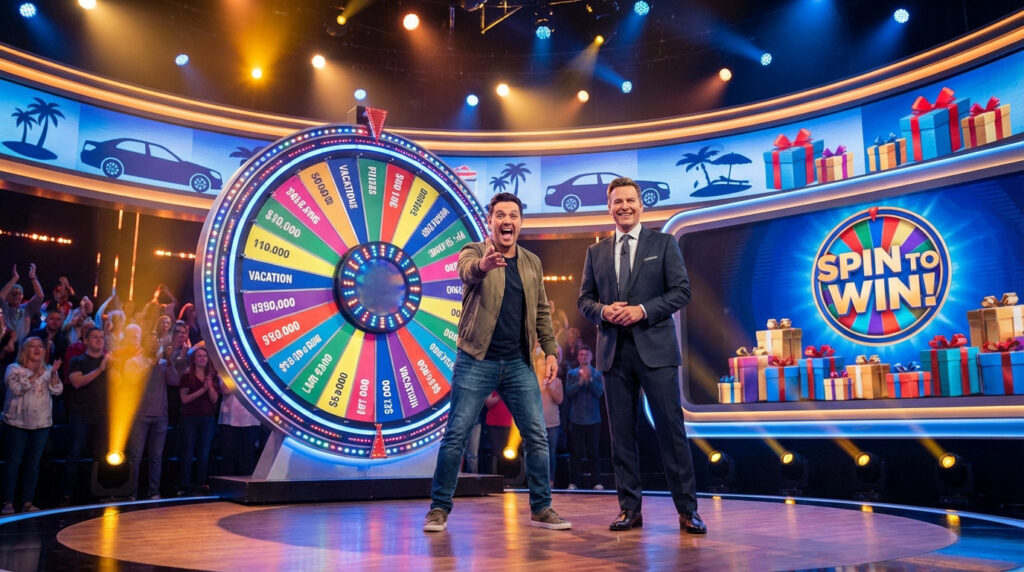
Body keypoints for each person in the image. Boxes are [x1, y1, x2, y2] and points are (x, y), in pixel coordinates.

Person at [424, 192, 570, 532]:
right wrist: (483, 266)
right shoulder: (474, 251)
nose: (507, 220)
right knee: (456, 435)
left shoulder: (532, 262)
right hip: (477, 359)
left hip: (518, 362)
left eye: (514, 215)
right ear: (490, 221)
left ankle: (542, 508)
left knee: (536, 436)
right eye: (500, 215)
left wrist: (550, 351)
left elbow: (541, 312)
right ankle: (438, 509)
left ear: (520, 222)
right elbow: (466, 273)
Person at [577, 177, 706, 534]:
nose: (624, 207)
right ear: (609, 207)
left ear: (641, 204)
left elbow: (682, 291)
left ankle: (687, 511)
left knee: (671, 432)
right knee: (621, 437)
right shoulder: (596, 252)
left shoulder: (663, 244)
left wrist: (643, 310)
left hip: (657, 351)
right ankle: (629, 509)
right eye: (617, 202)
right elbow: (584, 300)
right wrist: (604, 311)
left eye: (630, 201)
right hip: (613, 354)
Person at [2, 337, 62, 514]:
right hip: (16, 423)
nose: (37, 349)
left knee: (33, 464)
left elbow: (57, 390)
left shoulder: (49, 370)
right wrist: (36, 373)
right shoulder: (13, 369)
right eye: (32, 346)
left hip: (41, 424)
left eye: (40, 347)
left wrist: (51, 374)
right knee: (14, 463)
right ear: (24, 351)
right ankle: (8, 502)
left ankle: (28, 501)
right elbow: (17, 389)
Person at [64, 325, 111, 504]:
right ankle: (67, 495)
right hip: (81, 414)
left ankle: (100, 493)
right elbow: (76, 382)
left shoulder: (109, 362)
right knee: (75, 454)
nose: (99, 340)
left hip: (103, 415)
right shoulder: (78, 360)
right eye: (95, 337)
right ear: (86, 341)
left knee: (101, 456)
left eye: (101, 337)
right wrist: (100, 369)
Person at [125, 332, 170, 500]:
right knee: (135, 456)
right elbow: (132, 381)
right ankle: (132, 493)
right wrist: (151, 365)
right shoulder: (133, 362)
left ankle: (154, 492)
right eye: (150, 342)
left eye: (156, 341)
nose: (153, 344)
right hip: (140, 415)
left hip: (160, 416)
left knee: (156, 457)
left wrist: (170, 362)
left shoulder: (163, 363)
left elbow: (173, 380)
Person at [177, 345, 219, 494]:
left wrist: (210, 387)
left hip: (207, 419)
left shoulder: (212, 378)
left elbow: (214, 400)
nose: (202, 358)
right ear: (194, 360)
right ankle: (185, 485)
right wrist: (203, 389)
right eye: (199, 356)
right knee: (188, 453)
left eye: (205, 356)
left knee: (204, 453)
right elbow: (184, 399)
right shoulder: (187, 376)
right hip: (190, 419)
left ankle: (201, 484)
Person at [564, 345, 604, 490]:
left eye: (586, 355)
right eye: (581, 354)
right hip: (576, 419)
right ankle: (574, 482)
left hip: (593, 419)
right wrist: (580, 382)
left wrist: (590, 381)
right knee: (576, 453)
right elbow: (568, 393)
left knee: (594, 452)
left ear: (591, 357)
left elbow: (600, 393)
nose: (583, 357)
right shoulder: (571, 373)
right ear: (578, 357)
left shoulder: (598, 373)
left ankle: (596, 482)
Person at [533, 343, 563, 488]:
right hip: (537, 422)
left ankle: (550, 482)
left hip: (553, 423)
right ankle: (536, 482)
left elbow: (559, 400)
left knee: (551, 454)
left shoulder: (557, 381)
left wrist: (550, 388)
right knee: (536, 453)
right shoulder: (533, 380)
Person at [1, 263, 44, 343]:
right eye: (14, 294)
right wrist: (14, 278)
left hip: (22, 346)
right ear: (7, 297)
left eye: (19, 294)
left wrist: (33, 278)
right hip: (4, 345)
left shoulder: (26, 308)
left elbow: (40, 296)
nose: (17, 296)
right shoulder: (4, 308)